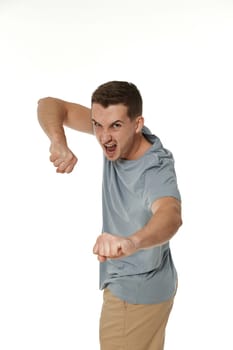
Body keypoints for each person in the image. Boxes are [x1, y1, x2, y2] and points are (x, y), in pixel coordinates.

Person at [37, 80, 182, 350]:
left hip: (133, 295)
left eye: (115, 125)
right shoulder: (120, 138)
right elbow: (50, 105)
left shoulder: (153, 170)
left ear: (137, 124)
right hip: (155, 285)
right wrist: (59, 142)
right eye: (97, 125)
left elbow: (170, 215)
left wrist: (132, 242)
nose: (104, 137)